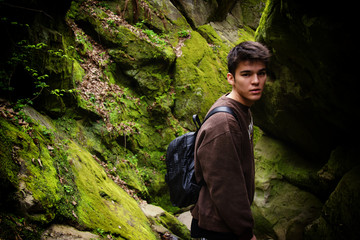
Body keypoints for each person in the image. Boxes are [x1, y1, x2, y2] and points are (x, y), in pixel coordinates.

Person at [191, 41, 270, 240]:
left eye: (261, 73)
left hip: (225, 224)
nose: (256, 81)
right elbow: (226, 189)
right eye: (246, 74)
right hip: (216, 228)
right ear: (230, 78)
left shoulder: (241, 108)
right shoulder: (224, 124)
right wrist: (246, 233)